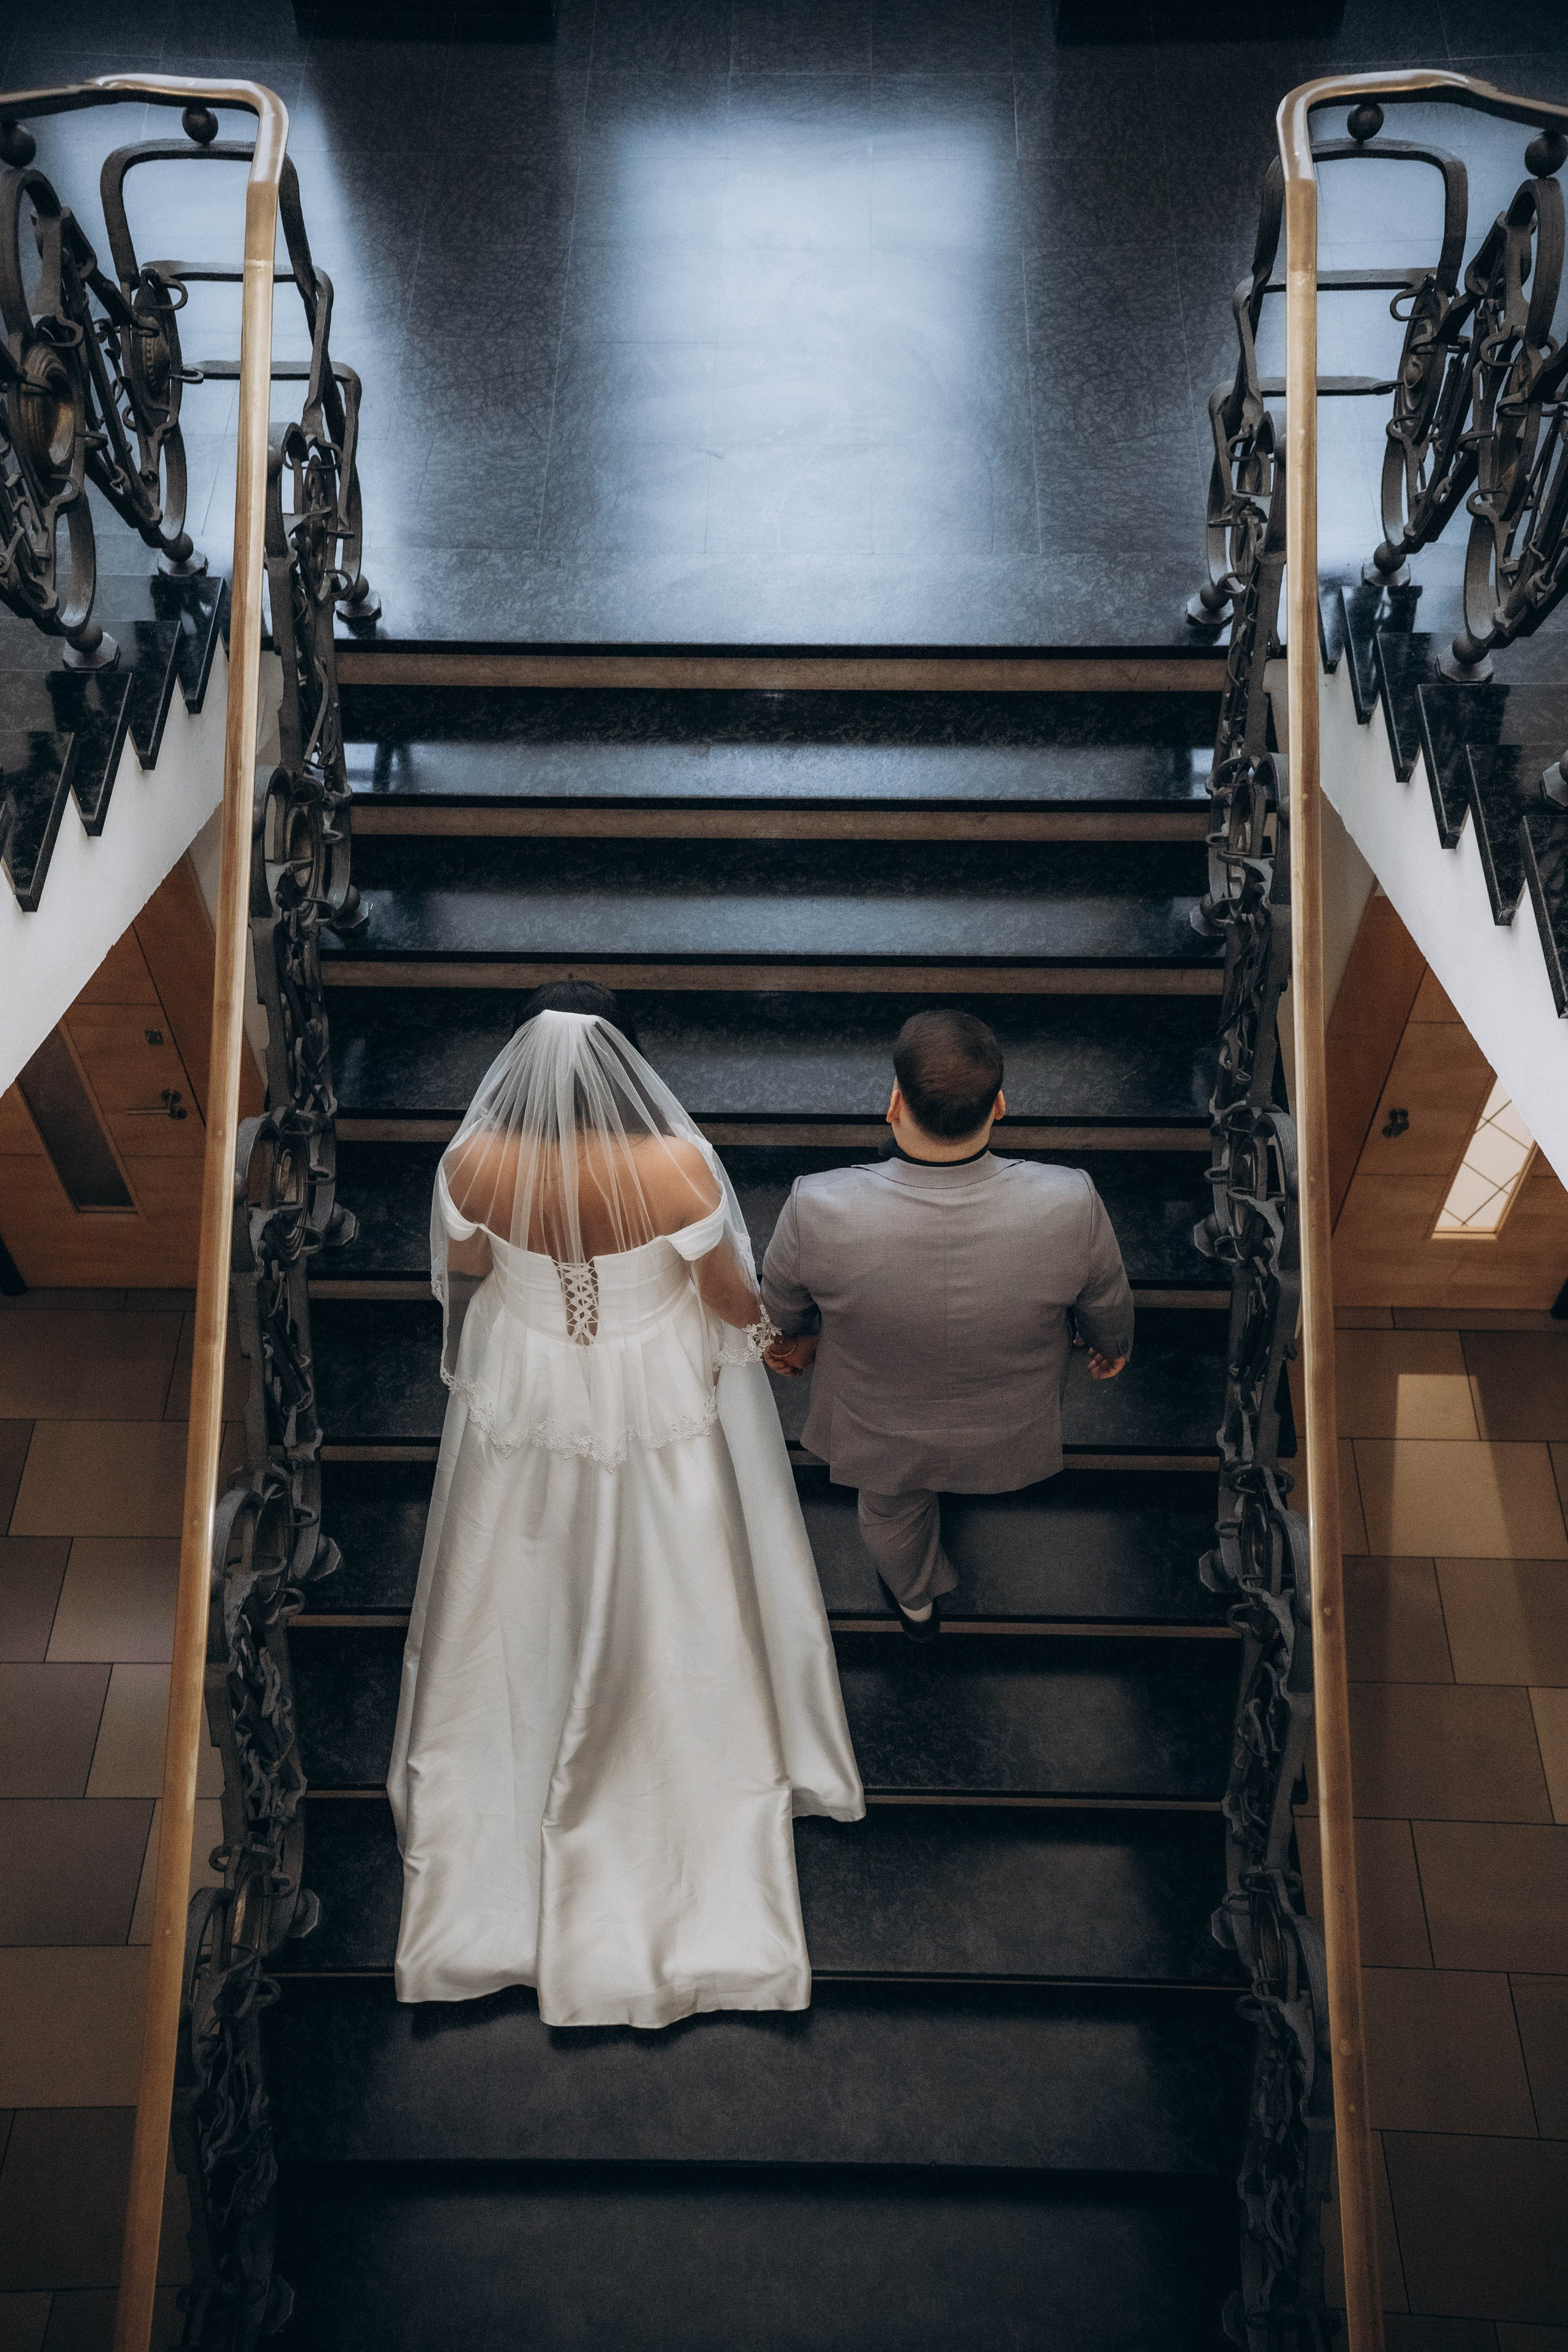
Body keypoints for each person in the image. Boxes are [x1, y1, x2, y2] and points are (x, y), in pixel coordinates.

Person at [388, 981, 864, 2029]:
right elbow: (730, 1297)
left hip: (529, 1369)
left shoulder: (474, 1161)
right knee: (681, 1553)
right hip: (649, 1375)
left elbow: (466, 1264)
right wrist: (769, 1342)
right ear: (632, 1068)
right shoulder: (676, 1167)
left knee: (507, 1559)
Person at [761, 1008, 1133, 1642]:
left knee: (889, 1509)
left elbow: (781, 1313)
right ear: (1001, 1107)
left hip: (879, 1430)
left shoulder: (816, 1203)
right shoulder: (1071, 1198)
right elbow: (1106, 1302)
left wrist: (798, 1341)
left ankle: (915, 1606)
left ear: (893, 1105)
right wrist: (1109, 1347)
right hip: (1007, 1425)